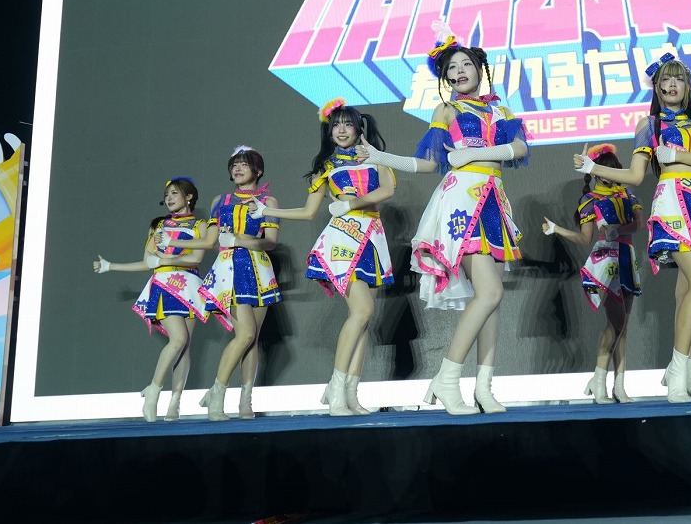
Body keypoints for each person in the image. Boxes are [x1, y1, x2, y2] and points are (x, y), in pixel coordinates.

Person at [357, 21, 528, 415]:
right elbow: (429, 162)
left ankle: (483, 388)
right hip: (462, 202)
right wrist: (381, 157)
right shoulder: (447, 109)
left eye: (465, 64)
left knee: (493, 302)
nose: (459, 71)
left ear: (479, 68)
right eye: (451, 68)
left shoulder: (500, 108)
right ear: (445, 77)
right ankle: (447, 380)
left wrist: (474, 154)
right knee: (489, 293)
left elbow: (519, 149)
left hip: (494, 200)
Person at [572, 52, 691, 403]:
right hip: (673, 203)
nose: (672, 84)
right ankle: (676, 372)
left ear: (688, 86)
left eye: (679, 78)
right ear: (656, 88)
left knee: (689, 294)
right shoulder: (649, 124)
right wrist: (593, 169)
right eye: (665, 79)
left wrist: (679, 155)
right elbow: (634, 175)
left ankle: (690, 378)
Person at [248, 98, 395, 415]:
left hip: (372, 238)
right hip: (343, 239)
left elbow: (387, 191)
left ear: (358, 128)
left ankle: (351, 394)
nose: (341, 130)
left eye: (347, 124)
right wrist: (267, 211)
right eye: (336, 125)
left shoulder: (375, 157)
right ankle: (335, 388)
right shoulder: (326, 167)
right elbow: (308, 211)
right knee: (363, 311)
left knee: (364, 321)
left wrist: (352, 203)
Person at [170, 146, 281, 421]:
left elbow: (270, 241)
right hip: (229, 270)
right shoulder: (221, 200)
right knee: (245, 335)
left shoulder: (268, 201)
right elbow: (210, 240)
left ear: (258, 170)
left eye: (244, 164)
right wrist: (175, 241)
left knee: (252, 340)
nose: (237, 169)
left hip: (259, 270)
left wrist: (239, 239)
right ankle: (217, 394)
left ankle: (245, 401)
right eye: (234, 165)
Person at [93, 177, 208, 422]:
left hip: (189, 286)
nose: (169, 198)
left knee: (185, 346)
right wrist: (111, 266)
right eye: (166, 194)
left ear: (188, 197)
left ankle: (175, 403)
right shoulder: (159, 225)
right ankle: (153, 390)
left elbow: (195, 259)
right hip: (164, 284)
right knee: (178, 339)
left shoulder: (200, 224)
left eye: (174, 193)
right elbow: (148, 262)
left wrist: (163, 259)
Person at [542, 143, 643, 404]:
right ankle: (598, 382)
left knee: (624, 327)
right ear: (594, 172)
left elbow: (637, 225)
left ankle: (619, 386)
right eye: (605, 169)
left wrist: (616, 229)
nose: (610, 174)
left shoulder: (627, 193)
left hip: (627, 258)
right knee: (616, 323)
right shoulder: (589, 200)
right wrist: (556, 229)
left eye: (614, 168)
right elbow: (585, 238)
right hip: (605, 261)